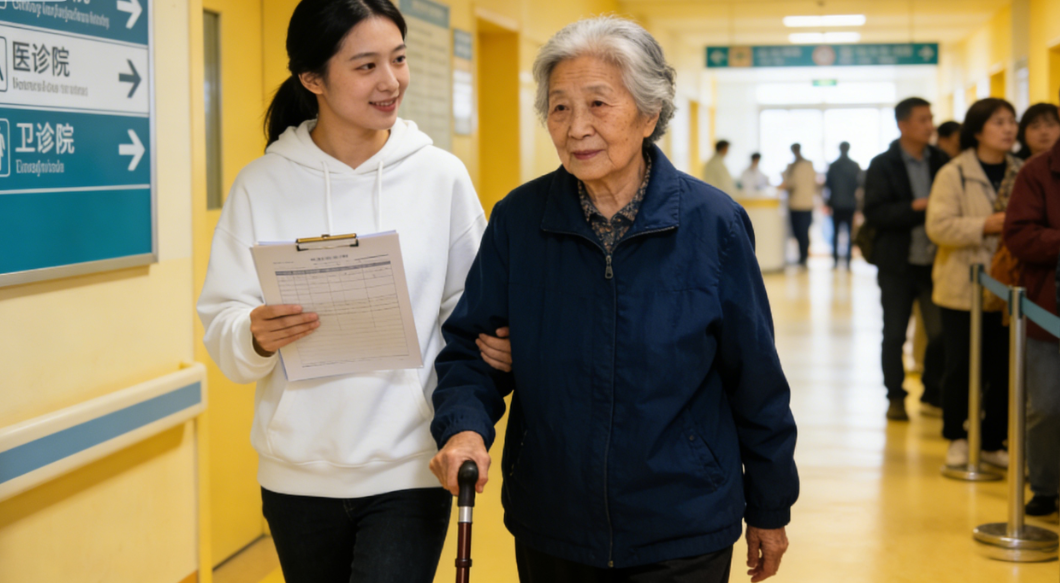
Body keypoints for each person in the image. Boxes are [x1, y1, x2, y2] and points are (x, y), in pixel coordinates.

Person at [428, 17, 799, 583]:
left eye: (599, 104)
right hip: (553, 519)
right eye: (559, 108)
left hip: (683, 519)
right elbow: (468, 352)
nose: (576, 128)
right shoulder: (519, 220)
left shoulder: (713, 223)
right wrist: (464, 427)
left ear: (649, 115)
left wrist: (770, 507)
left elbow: (755, 376)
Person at [196, 1, 511, 581]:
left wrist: (500, 346)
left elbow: (470, 312)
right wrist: (253, 335)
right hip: (296, 472)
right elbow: (223, 324)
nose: (391, 81)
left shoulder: (440, 177)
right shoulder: (260, 185)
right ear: (312, 79)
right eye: (366, 66)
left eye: (398, 59)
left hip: (411, 464)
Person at [926, 97, 1022, 469]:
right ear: (978, 129)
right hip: (961, 285)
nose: (1008, 129)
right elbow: (939, 226)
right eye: (999, 122)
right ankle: (957, 435)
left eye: (1011, 121)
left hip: (1007, 289)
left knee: (1002, 367)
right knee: (962, 364)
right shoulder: (954, 172)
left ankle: (993, 438)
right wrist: (985, 225)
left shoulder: (1021, 170)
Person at [863, 97, 948, 421]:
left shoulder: (940, 160)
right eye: (923, 120)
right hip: (897, 264)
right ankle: (895, 396)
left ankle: (932, 391)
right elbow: (875, 212)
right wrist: (916, 207)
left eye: (931, 119)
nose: (930, 126)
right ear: (903, 125)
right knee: (895, 333)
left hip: (934, 262)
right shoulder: (883, 164)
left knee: (939, 333)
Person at [1003, 90, 1060, 516]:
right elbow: (1019, 235)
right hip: (1046, 308)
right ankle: (1043, 485)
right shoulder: (1038, 172)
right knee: (1044, 406)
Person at [779, 143, 817, 266]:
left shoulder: (796, 166)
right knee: (803, 232)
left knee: (800, 232)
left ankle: (803, 257)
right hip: (806, 204)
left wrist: (784, 177)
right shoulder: (808, 165)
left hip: (798, 204)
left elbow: (791, 184)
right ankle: (803, 256)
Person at [825, 142, 861, 269]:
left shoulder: (833, 166)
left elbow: (828, 185)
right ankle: (848, 260)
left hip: (837, 204)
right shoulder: (854, 166)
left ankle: (835, 260)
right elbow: (858, 184)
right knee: (849, 234)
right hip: (850, 204)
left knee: (836, 233)